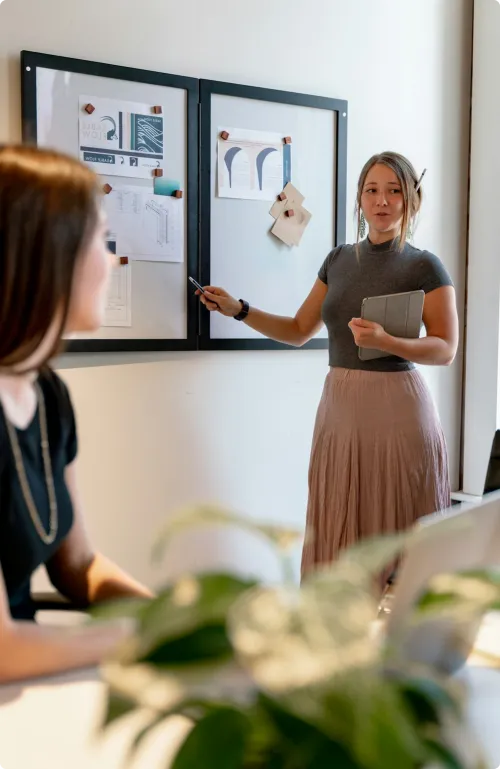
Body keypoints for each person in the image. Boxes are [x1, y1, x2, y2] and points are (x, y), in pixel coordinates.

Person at [197, 151, 459, 580]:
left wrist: (388, 341)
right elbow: (300, 329)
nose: (382, 201)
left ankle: (399, 641)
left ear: (411, 199)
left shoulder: (424, 265)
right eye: (372, 190)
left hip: (398, 413)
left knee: (393, 538)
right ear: (359, 198)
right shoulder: (338, 260)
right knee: (338, 531)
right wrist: (238, 309)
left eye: (394, 191)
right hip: (339, 411)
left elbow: (445, 348)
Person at [0, 145, 153, 683]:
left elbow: (78, 566)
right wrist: (146, 638)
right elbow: (3, 651)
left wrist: (177, 618)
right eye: (98, 237)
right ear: (48, 252)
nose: (111, 259)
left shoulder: (47, 394)